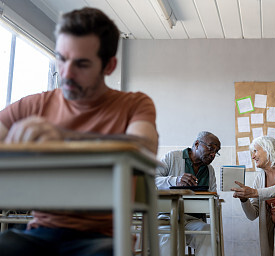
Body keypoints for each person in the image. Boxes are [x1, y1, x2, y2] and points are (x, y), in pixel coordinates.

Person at [0, 7, 158, 256]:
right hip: (40, 232)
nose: (66, 73)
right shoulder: (33, 106)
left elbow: (143, 144)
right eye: (61, 58)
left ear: (109, 66)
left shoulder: (135, 104)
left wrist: (63, 138)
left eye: (81, 64)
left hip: (103, 237)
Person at [155, 131, 220, 256]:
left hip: (193, 221)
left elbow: (213, 196)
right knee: (170, 237)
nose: (213, 154)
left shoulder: (209, 171)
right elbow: (152, 179)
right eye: (211, 148)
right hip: (167, 217)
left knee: (209, 234)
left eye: (216, 152)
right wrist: (175, 180)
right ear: (196, 144)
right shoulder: (172, 157)